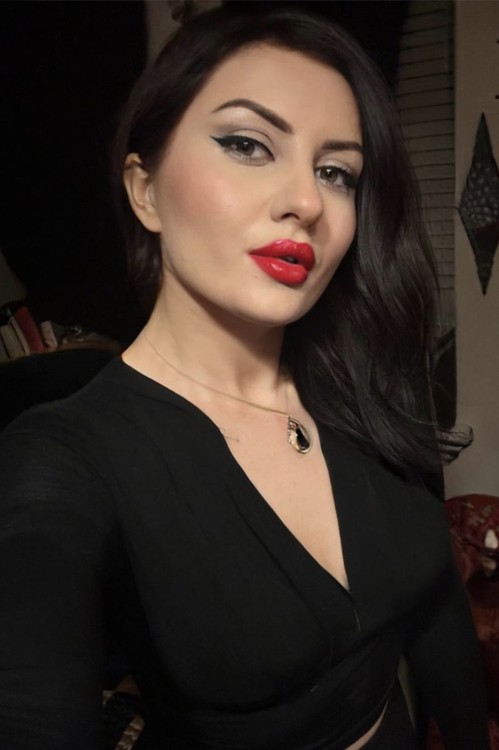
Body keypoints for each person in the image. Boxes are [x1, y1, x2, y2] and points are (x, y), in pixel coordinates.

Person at [0, 5, 490, 749]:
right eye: (248, 144)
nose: (306, 202)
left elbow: (434, 609)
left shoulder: (372, 388)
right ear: (145, 190)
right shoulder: (63, 460)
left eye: (336, 172)